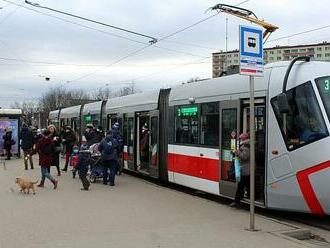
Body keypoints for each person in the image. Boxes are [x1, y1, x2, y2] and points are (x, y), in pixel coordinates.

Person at [230, 132, 250, 208]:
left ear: (243, 139)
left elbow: (245, 157)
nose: (240, 139)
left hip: (245, 170)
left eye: (241, 138)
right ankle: (240, 200)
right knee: (245, 185)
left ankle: (237, 202)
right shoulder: (246, 146)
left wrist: (237, 152)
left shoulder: (246, 147)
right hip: (247, 169)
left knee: (240, 186)